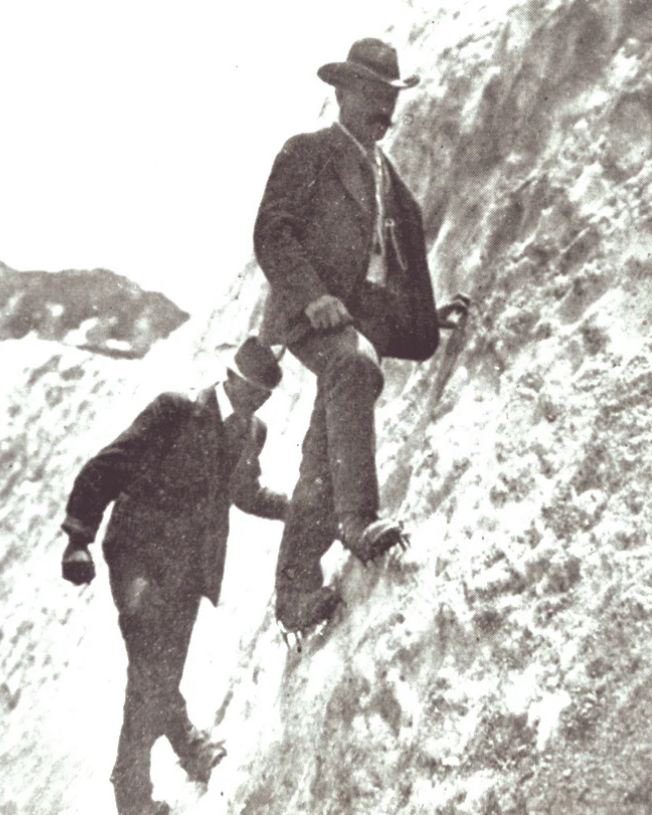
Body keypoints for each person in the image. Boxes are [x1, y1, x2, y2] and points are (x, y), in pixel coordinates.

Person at [253, 38, 469, 634]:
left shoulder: (390, 182)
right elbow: (272, 233)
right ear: (343, 93)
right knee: (354, 367)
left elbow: (395, 266)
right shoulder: (309, 153)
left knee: (325, 451)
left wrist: (424, 320)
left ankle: (295, 593)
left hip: (361, 320)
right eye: (370, 94)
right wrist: (312, 295)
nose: (381, 109)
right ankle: (356, 520)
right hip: (309, 315)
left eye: (388, 98)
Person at [60, 337, 288, 815]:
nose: (256, 403)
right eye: (250, 392)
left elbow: (245, 494)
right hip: (136, 556)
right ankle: (137, 793)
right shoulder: (176, 410)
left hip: (189, 567)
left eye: (264, 397)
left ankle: (183, 747)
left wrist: (295, 508)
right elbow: (108, 466)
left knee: (159, 672)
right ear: (230, 378)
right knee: (150, 666)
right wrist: (78, 537)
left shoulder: (252, 432)